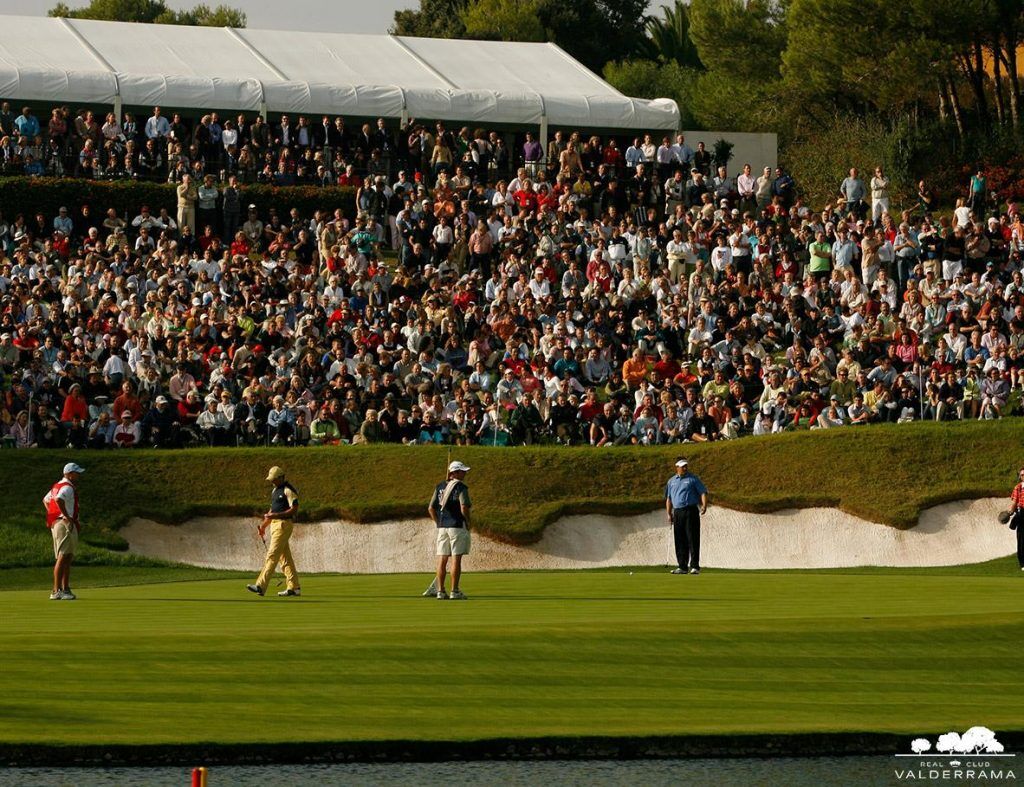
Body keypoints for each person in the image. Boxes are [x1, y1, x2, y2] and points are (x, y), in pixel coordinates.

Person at [247, 466, 301, 597]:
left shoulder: (288, 490)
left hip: (284, 524)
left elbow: (294, 508)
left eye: (274, 479)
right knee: (284, 557)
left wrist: (276, 516)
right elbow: (272, 511)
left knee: (272, 555)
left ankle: (260, 585)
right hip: (275, 525)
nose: (272, 481)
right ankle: (294, 587)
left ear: (281, 477)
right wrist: (264, 526)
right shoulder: (274, 491)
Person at [426, 460, 472, 600]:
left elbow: (431, 508)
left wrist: (437, 522)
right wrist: (468, 522)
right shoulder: (461, 487)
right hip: (457, 526)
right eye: (462, 471)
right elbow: (464, 506)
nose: (464, 473)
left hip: (442, 527)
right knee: (456, 560)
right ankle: (454, 591)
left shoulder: (439, 486)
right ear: (454, 473)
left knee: (442, 559)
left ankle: (440, 591)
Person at [44, 462, 84, 600]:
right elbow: (59, 499)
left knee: (67, 556)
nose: (78, 475)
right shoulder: (67, 487)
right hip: (64, 523)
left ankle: (64, 589)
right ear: (68, 474)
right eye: (76, 472)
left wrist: (53, 514)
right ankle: (57, 591)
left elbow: (46, 500)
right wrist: (66, 517)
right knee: (63, 556)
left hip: (59, 522)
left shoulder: (57, 485)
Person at [664, 458, 708, 575]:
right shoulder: (671, 481)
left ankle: (694, 566)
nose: (685, 468)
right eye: (682, 466)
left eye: (686, 466)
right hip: (677, 512)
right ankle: (682, 566)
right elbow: (669, 499)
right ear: (677, 467)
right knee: (679, 539)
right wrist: (669, 513)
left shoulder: (693, 479)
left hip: (691, 511)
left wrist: (704, 505)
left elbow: (702, 492)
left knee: (692, 538)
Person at [1005, 466, 1024, 571]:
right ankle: (1023, 564)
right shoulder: (1018, 488)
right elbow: (1014, 502)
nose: (1023, 477)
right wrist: (1010, 512)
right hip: (1022, 514)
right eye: (1021, 475)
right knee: (1021, 541)